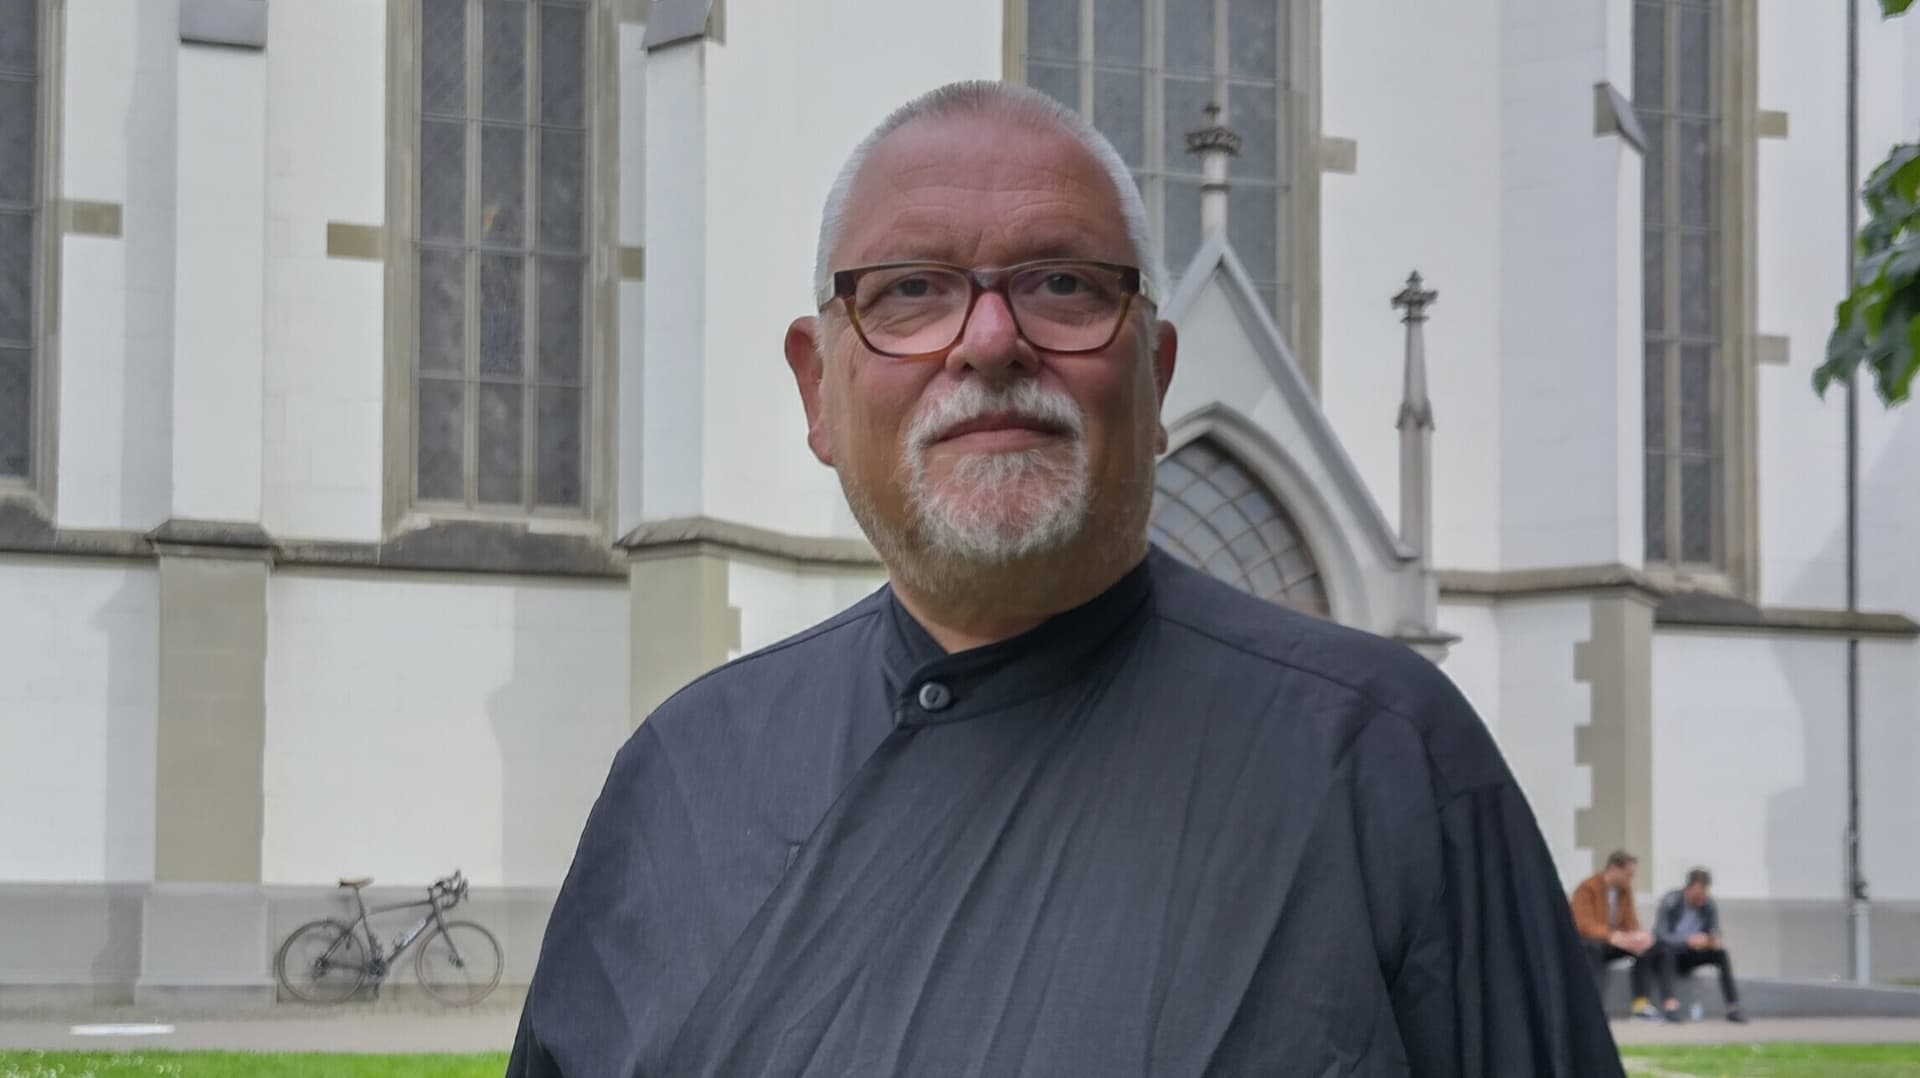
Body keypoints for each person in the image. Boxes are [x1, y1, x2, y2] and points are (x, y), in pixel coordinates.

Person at [507, 80, 1622, 1077]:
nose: (990, 340)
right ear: (816, 391)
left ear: (1157, 374)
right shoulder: (680, 777)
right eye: (908, 291)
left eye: (1063, 283)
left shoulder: (1386, 764)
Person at [1570, 850, 1659, 1020]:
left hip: (1614, 943)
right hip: (1591, 943)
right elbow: (1583, 924)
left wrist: (1638, 937)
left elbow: (1630, 922)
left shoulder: (1625, 892)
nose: (1630, 879)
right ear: (1613, 869)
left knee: (1646, 950)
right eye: (1628, 874)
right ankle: (1594, 1005)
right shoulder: (1587, 888)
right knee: (1594, 948)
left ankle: (1641, 1005)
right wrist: (1612, 936)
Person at [1651, 868, 1746, 1023]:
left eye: (1703, 893)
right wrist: (1687, 940)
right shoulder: (1671, 900)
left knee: (1721, 954)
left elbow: (1715, 930)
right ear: (1687, 888)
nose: (1700, 899)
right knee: (1666, 950)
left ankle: (1733, 1007)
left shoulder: (1708, 904)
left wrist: (1711, 940)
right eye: (1697, 895)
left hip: (1693, 954)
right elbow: (1659, 934)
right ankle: (1670, 1006)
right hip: (1670, 953)